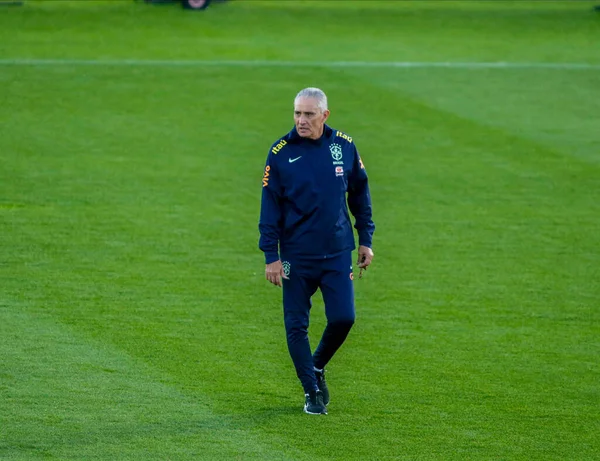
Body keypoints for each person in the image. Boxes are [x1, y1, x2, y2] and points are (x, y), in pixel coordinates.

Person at [258, 87, 375, 415]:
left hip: (338, 252)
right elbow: (270, 208)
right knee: (296, 325)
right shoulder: (281, 152)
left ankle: (317, 366)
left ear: (325, 115)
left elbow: (360, 195)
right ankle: (311, 391)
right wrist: (271, 255)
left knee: (344, 318)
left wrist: (365, 238)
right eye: (297, 113)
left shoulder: (344, 146)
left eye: (309, 114)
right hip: (296, 256)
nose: (301, 120)